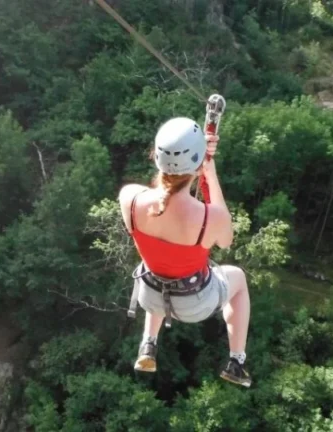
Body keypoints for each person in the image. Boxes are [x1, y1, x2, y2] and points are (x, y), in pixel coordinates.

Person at [118, 117, 252, 388]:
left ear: (156, 156)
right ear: (197, 164)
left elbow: (162, 198)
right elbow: (226, 240)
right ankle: (236, 361)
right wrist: (209, 173)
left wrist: (196, 160)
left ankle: (148, 344)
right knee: (237, 277)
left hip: (149, 296)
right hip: (194, 304)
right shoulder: (209, 218)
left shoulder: (130, 198)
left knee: (157, 269)